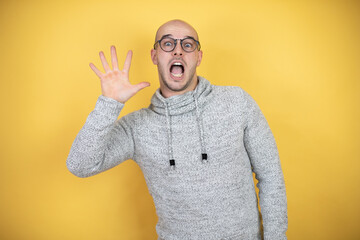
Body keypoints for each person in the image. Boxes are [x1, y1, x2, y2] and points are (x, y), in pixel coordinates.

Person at [66, 19, 288, 240]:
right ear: (155, 56)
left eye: (188, 45)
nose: (178, 51)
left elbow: (271, 176)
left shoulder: (237, 101)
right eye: (168, 44)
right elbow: (80, 164)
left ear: (199, 57)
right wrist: (109, 103)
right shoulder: (136, 128)